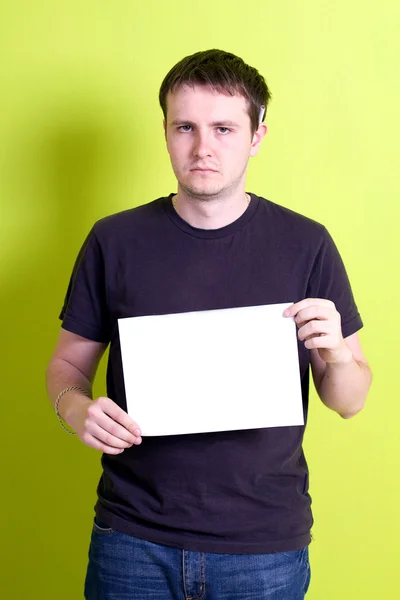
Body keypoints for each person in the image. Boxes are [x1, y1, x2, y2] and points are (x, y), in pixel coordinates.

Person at [46, 49, 372, 600]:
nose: (202, 147)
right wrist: (77, 410)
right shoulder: (114, 240)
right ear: (166, 131)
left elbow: (349, 399)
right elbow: (66, 366)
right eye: (185, 127)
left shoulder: (306, 243)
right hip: (133, 537)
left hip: (264, 544)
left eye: (224, 128)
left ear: (257, 135)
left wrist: (338, 355)